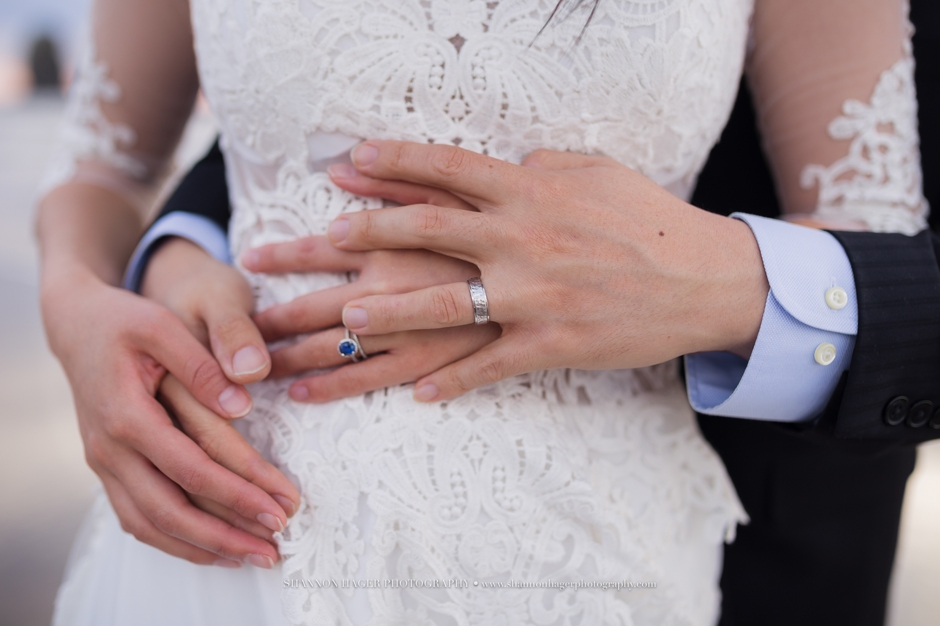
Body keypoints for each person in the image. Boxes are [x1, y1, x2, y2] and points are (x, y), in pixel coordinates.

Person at [37, 0, 928, 624]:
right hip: (229, 522)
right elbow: (107, 171)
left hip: (593, 555)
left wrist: (692, 278)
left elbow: (874, 227)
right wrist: (80, 302)